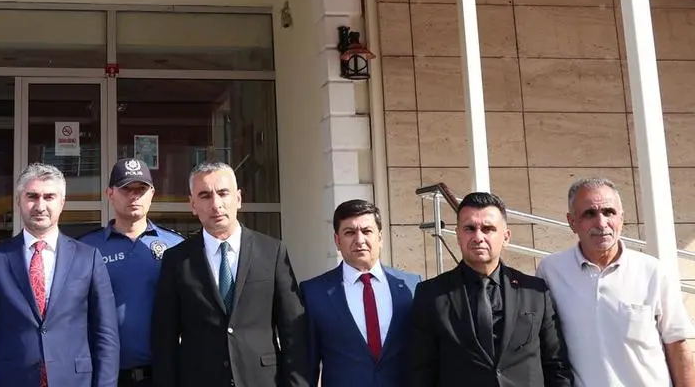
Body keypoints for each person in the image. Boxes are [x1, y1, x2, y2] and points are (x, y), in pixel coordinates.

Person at [151, 161, 309, 387]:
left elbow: (294, 331)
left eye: (223, 193)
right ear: (193, 205)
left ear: (239, 198)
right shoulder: (176, 260)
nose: (216, 204)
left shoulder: (272, 251)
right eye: (205, 196)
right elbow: (164, 338)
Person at [0, 162, 120, 387]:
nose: (40, 205)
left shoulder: (88, 258)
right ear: (18, 201)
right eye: (32, 196)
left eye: (49, 197)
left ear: (62, 202)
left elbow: (106, 335)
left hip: (73, 380)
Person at [536, 177, 695, 387]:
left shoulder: (652, 271)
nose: (601, 223)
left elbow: (677, 345)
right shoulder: (551, 270)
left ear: (621, 217)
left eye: (609, 212)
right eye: (589, 214)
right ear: (572, 222)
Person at [407, 191, 571, 387]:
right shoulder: (431, 294)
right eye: (470, 228)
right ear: (458, 235)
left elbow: (556, 364)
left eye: (488, 229)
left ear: (506, 237)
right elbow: (421, 371)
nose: (478, 237)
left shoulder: (535, 292)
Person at [79, 158, 185, 386]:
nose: (134, 196)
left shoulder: (176, 246)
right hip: (105, 377)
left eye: (141, 189)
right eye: (126, 189)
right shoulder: (86, 248)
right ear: (109, 193)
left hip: (163, 376)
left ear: (152, 193)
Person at [300, 199, 421, 387]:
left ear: (380, 237)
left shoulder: (412, 286)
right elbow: (306, 367)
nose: (359, 240)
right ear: (337, 241)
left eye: (366, 231)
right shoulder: (314, 293)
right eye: (349, 232)